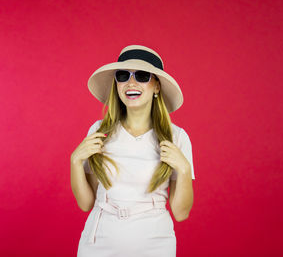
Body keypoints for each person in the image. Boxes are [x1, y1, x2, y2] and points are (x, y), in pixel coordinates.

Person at [70, 45, 195, 257]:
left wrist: (183, 169)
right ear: (116, 85)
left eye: (142, 75)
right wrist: (75, 162)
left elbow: (181, 213)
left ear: (157, 86)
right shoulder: (99, 132)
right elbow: (86, 203)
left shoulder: (177, 137)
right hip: (99, 242)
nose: (131, 83)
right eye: (123, 75)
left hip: (154, 244)